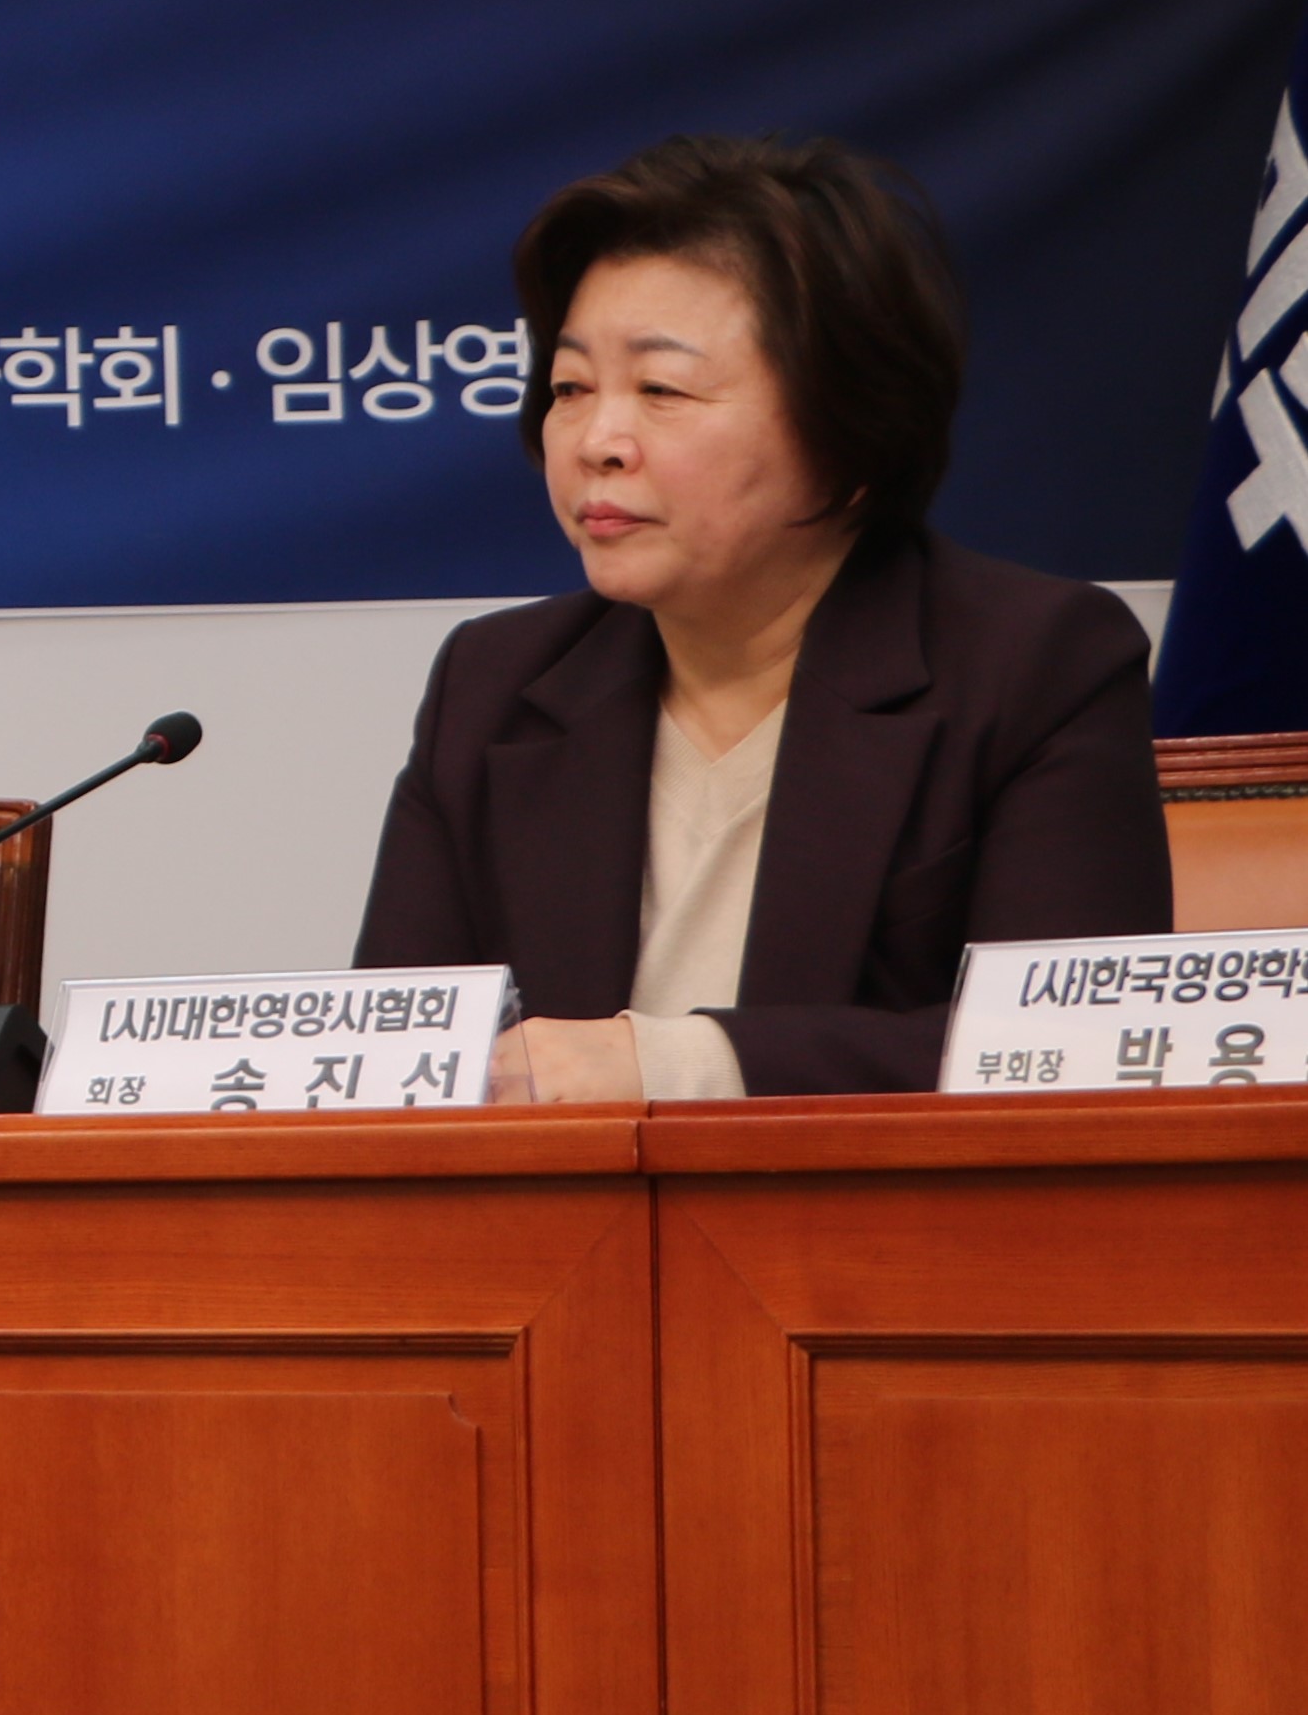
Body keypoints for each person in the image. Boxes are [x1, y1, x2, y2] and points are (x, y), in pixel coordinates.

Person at [356, 133, 1169, 1098]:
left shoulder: (1034, 664)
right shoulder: (494, 682)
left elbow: (1074, 1049)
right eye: (570, 388)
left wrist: (679, 1065)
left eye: (660, 390)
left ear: (848, 432)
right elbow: (400, 1064)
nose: (596, 440)